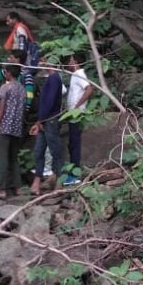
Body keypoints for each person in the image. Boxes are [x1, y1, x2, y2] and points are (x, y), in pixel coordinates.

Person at [0, 64, 27, 199]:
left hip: (5, 127)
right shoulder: (22, 89)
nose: (4, 73)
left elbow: (1, 108)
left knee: (2, 158)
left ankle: (2, 188)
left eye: (5, 72)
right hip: (17, 128)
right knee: (13, 158)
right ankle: (18, 187)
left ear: (9, 73)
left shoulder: (6, 87)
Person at [30, 60, 64, 195]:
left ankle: (59, 182)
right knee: (39, 151)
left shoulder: (55, 79)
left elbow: (49, 102)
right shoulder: (50, 78)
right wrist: (39, 121)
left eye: (44, 60)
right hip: (44, 120)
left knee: (55, 151)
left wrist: (41, 120)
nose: (41, 62)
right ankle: (37, 181)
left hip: (50, 120)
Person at [63, 52, 94, 185]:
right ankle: (73, 174)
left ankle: (75, 175)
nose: (69, 62)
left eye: (70, 60)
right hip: (72, 114)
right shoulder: (75, 75)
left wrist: (77, 106)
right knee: (72, 143)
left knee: (75, 144)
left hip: (77, 114)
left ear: (75, 62)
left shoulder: (79, 74)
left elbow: (89, 89)